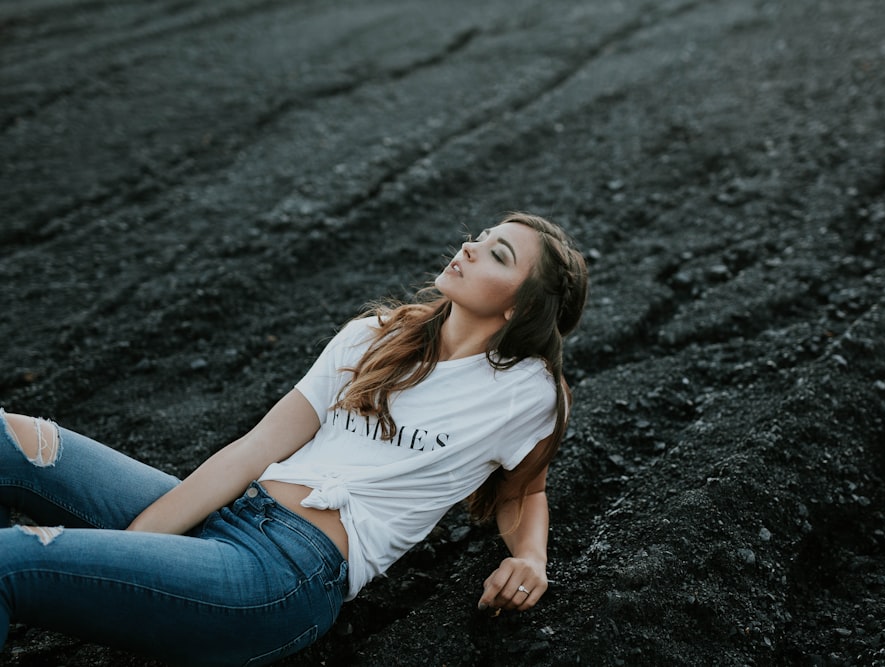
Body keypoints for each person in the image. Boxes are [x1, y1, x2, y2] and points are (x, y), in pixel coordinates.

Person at [0, 212, 589, 666]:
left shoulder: (529, 395)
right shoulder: (374, 336)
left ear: (520, 307)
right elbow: (256, 448)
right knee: (13, 437)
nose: (470, 246)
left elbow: (521, 492)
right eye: (481, 235)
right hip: (234, 512)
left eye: (497, 254)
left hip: (281, 579)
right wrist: (138, 548)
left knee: (9, 559)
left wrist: (530, 557)